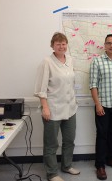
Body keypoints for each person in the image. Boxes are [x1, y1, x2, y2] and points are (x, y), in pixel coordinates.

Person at [34, 32, 80, 181]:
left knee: (69, 141)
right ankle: (52, 173)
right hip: (52, 109)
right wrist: (45, 108)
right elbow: (41, 89)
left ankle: (66, 166)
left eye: (64, 43)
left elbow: (70, 84)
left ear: (67, 45)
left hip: (70, 109)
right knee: (51, 144)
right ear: (52, 46)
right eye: (58, 44)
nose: (61, 46)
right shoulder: (47, 62)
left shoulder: (71, 60)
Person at [89, 34, 112, 180]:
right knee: (102, 135)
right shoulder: (97, 62)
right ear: (104, 45)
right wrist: (97, 104)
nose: (111, 45)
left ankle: (111, 159)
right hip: (103, 105)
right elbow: (93, 85)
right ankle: (100, 165)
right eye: (109, 43)